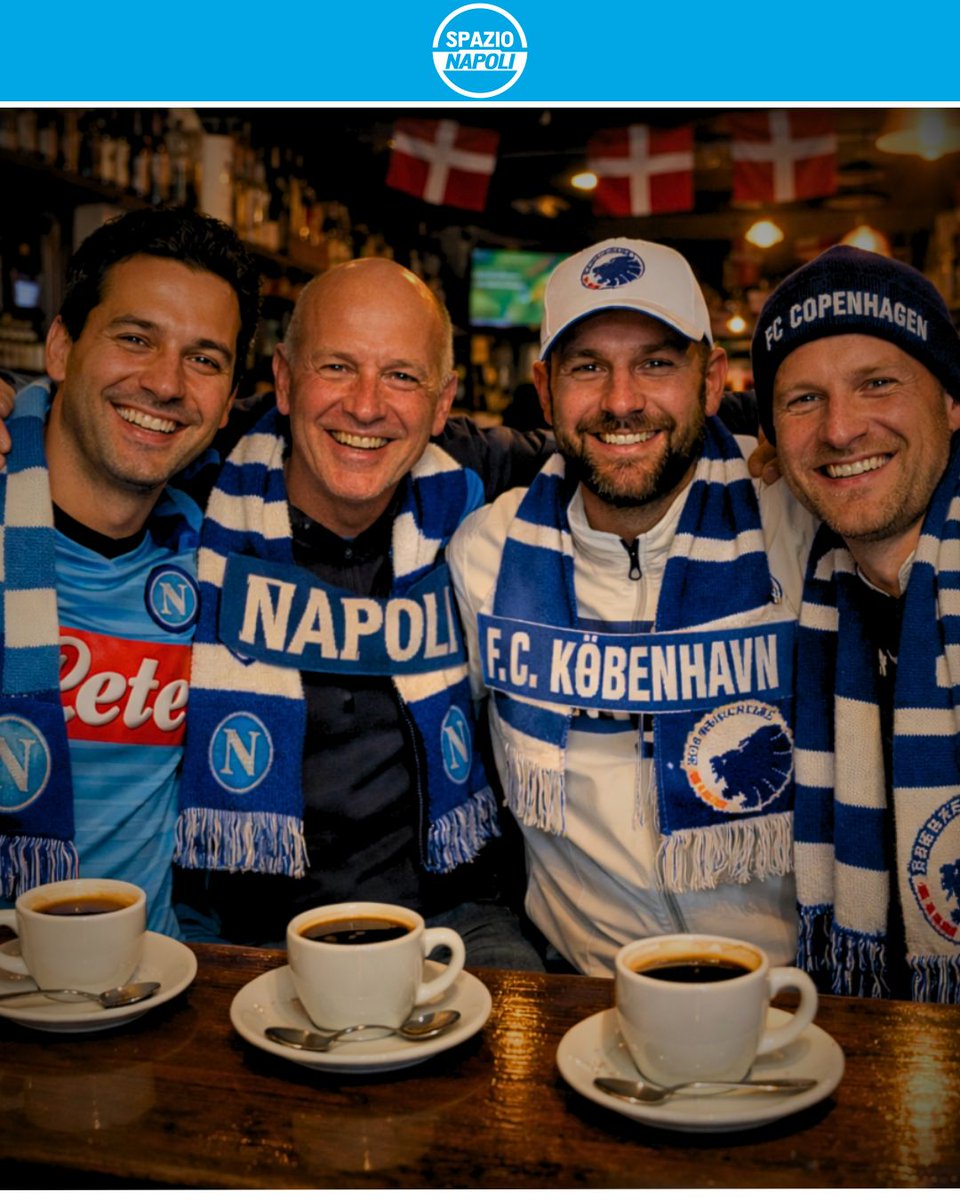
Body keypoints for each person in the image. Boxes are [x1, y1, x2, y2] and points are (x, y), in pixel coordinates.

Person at [449, 238, 813, 976]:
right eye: (588, 366)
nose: (621, 401)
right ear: (545, 391)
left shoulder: (801, 521)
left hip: (791, 996)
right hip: (585, 999)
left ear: (711, 381)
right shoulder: (485, 554)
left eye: (656, 363)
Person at [173, 257, 549, 966]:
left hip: (447, 911)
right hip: (236, 921)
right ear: (283, 380)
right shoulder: (197, 481)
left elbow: (615, 443)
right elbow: (92, 423)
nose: (368, 406)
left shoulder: (475, 482)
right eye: (337, 367)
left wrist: (761, 445)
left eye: (402, 376)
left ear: (442, 404)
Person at [0, 207, 262, 936]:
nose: (167, 384)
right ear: (60, 347)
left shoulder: (222, 549)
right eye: (136, 338)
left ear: (229, 400)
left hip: (155, 990)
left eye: (204, 359)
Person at [751, 245, 960, 1002]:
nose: (840, 430)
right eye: (803, 399)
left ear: (951, 401)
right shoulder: (818, 579)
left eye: (878, 383)